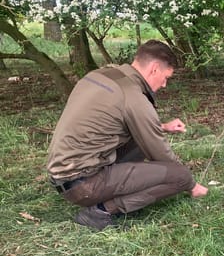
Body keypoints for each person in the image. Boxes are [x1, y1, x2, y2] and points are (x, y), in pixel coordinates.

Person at [46, 40, 208, 230]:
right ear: (154, 69)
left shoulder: (103, 75)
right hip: (84, 185)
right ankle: (100, 211)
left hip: (64, 175)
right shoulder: (133, 96)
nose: (164, 85)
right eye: (166, 78)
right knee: (179, 175)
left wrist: (162, 126)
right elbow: (161, 154)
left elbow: (107, 122)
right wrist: (191, 185)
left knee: (140, 141)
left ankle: (113, 193)